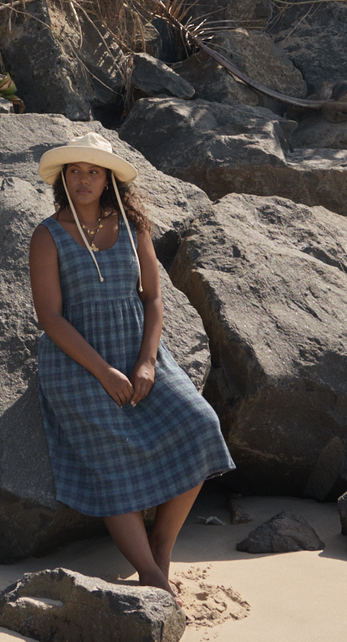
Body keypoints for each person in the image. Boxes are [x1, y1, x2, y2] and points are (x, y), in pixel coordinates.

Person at [30, 132, 232, 596]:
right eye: (76, 171)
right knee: (110, 460)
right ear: (64, 177)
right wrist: (102, 372)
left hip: (137, 351)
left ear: (108, 180)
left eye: (93, 172)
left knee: (202, 424)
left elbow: (154, 298)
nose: (84, 179)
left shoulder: (132, 224)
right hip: (76, 363)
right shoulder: (48, 236)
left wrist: (146, 362)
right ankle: (151, 575)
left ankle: (161, 544)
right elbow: (50, 318)